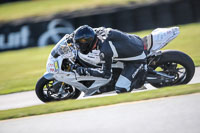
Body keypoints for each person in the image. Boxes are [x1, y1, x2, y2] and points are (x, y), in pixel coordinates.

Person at [69, 25, 148, 93]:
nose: (79, 46)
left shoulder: (105, 50)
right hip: (133, 41)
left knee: (121, 89)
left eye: (80, 44)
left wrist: (83, 71)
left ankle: (141, 73)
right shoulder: (96, 32)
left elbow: (105, 74)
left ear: (87, 42)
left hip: (137, 59)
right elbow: (86, 31)